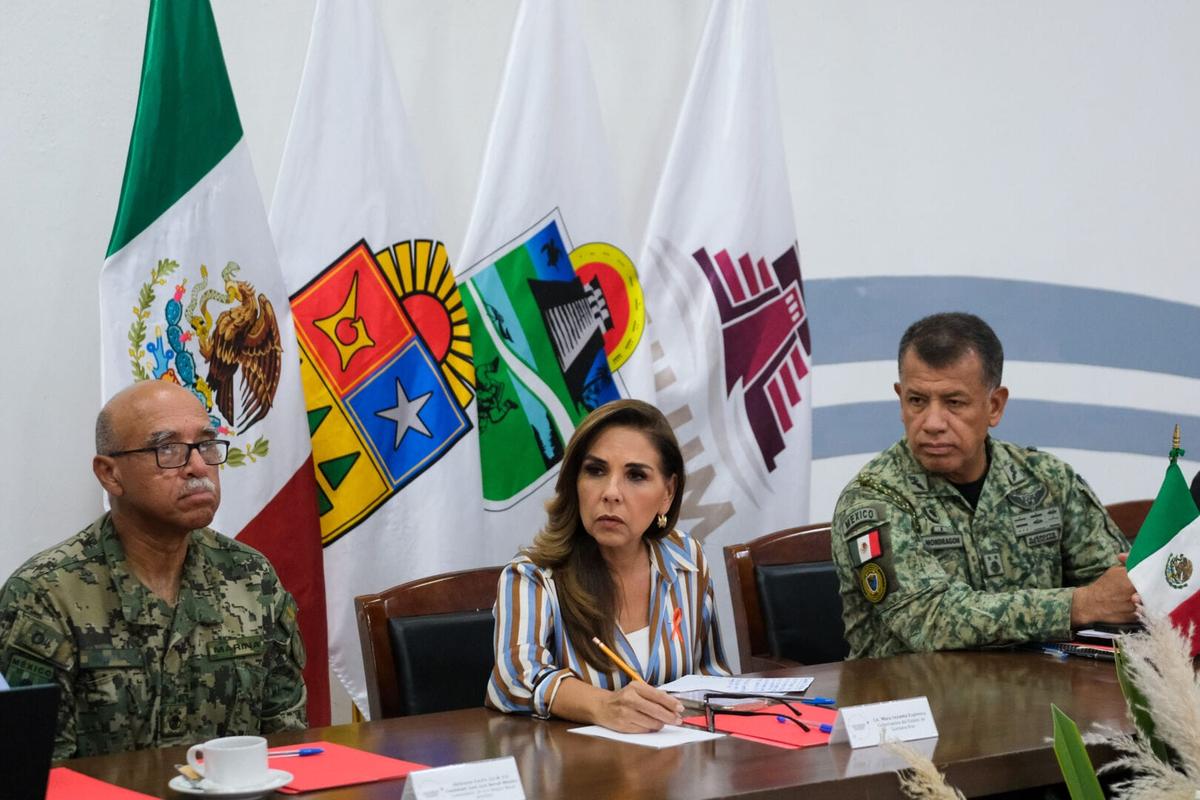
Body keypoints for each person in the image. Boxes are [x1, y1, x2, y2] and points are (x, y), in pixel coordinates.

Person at [0, 381, 307, 759]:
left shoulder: (250, 576)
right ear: (110, 474)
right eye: (168, 449)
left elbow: (286, 747)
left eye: (206, 445)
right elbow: (39, 774)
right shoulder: (46, 595)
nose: (198, 466)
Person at [832, 312, 1137, 659]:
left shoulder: (1046, 479)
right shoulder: (873, 498)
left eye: (954, 402)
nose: (932, 423)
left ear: (994, 405)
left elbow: (1114, 587)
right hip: (912, 702)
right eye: (917, 400)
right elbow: (930, 620)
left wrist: (1127, 592)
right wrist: (1079, 604)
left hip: (1040, 695)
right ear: (900, 399)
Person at [487, 399, 730, 732]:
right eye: (596, 471)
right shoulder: (533, 575)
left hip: (678, 765)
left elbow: (711, 675)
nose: (611, 492)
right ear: (575, 481)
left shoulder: (688, 560)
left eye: (636, 476)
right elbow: (513, 679)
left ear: (667, 494)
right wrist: (605, 706)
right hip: (581, 772)